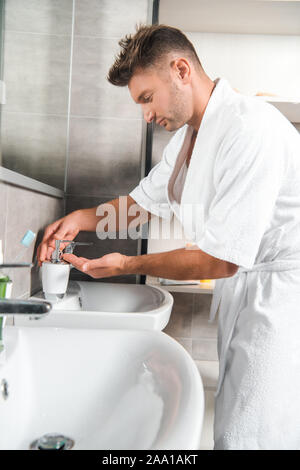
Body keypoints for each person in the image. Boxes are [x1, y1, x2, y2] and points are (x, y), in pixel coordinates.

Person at [37, 24, 300, 450]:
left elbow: (221, 259)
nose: (145, 114)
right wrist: (81, 219)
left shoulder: (250, 129)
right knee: (235, 424)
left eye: (146, 97)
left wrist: (127, 265)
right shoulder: (186, 141)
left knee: (254, 435)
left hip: (283, 301)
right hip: (248, 293)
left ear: (181, 70)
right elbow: (143, 206)